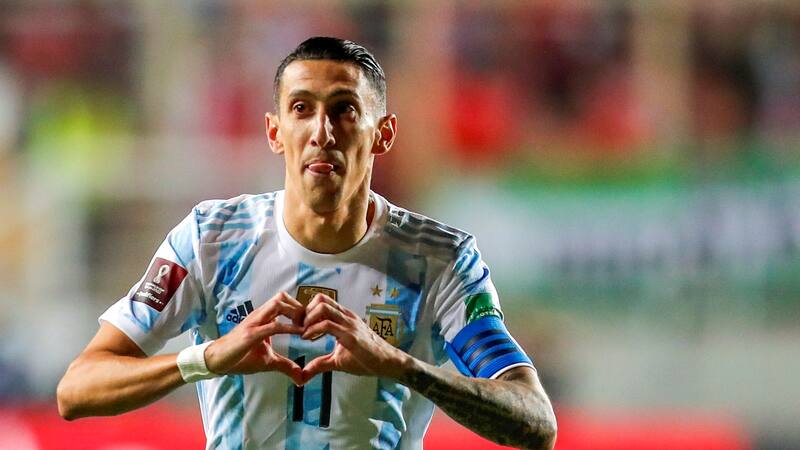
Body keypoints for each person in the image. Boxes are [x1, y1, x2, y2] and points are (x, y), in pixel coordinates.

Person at [57, 37, 557, 450]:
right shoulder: (211, 240)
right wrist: (206, 358)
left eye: (344, 110)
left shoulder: (438, 262)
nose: (322, 132)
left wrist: (400, 365)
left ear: (382, 135)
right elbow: (77, 389)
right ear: (275, 132)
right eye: (302, 109)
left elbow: (535, 421)